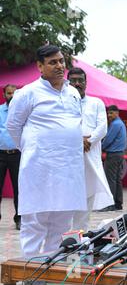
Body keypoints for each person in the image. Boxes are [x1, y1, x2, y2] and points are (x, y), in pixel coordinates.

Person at [6, 45, 86, 257]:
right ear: (40, 66)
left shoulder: (73, 94)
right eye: (53, 62)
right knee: (34, 226)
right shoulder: (27, 93)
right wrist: (35, 149)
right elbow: (13, 127)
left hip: (68, 172)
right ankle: (31, 277)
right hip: (38, 171)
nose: (59, 66)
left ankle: (51, 276)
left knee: (61, 229)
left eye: (61, 61)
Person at [68, 67, 114, 229]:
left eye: (80, 80)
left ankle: (79, 244)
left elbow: (102, 127)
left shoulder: (96, 103)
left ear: (86, 83)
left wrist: (89, 140)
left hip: (89, 160)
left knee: (85, 208)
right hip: (68, 161)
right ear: (67, 83)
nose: (77, 83)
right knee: (67, 207)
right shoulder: (62, 103)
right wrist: (76, 141)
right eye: (73, 80)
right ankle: (64, 244)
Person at [0, 84, 21, 230]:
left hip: (17, 155)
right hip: (0, 154)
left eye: (14, 93)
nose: (11, 96)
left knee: (19, 189)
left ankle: (19, 219)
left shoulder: (22, 111)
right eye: (9, 93)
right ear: (4, 95)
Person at [101, 105, 127, 212]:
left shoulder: (115, 124)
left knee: (110, 180)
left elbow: (108, 140)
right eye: (108, 113)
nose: (109, 115)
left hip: (113, 155)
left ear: (117, 113)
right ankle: (118, 203)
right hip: (119, 154)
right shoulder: (120, 123)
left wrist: (98, 148)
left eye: (111, 113)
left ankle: (110, 204)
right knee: (117, 180)